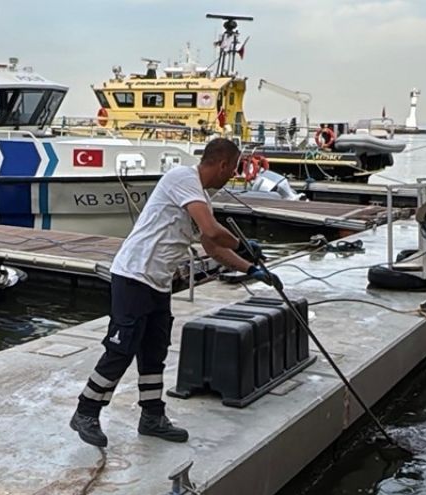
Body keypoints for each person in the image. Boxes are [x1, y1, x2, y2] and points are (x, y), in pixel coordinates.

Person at [69, 138, 280, 448]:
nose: (232, 176)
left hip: (157, 281)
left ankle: (152, 417)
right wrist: (242, 243)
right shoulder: (181, 178)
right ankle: (86, 411)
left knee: (155, 351)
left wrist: (250, 268)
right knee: (122, 348)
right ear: (222, 164)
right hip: (134, 274)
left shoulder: (200, 198)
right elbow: (211, 232)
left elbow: (212, 248)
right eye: (232, 169)